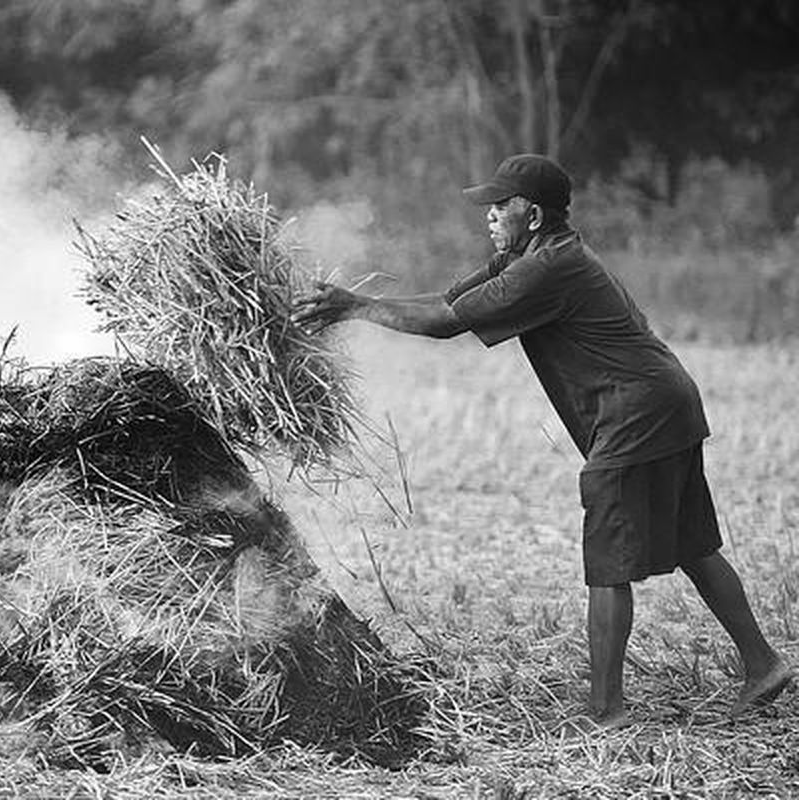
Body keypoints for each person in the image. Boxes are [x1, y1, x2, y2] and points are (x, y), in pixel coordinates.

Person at [293, 154, 793, 728]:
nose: (488, 214)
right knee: (693, 545)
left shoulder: (546, 268)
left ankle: (606, 712)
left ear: (531, 214)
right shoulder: (526, 255)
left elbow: (445, 326)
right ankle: (763, 664)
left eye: (499, 206)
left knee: (608, 564)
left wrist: (356, 307)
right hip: (665, 400)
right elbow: (445, 304)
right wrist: (354, 307)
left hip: (638, 414)